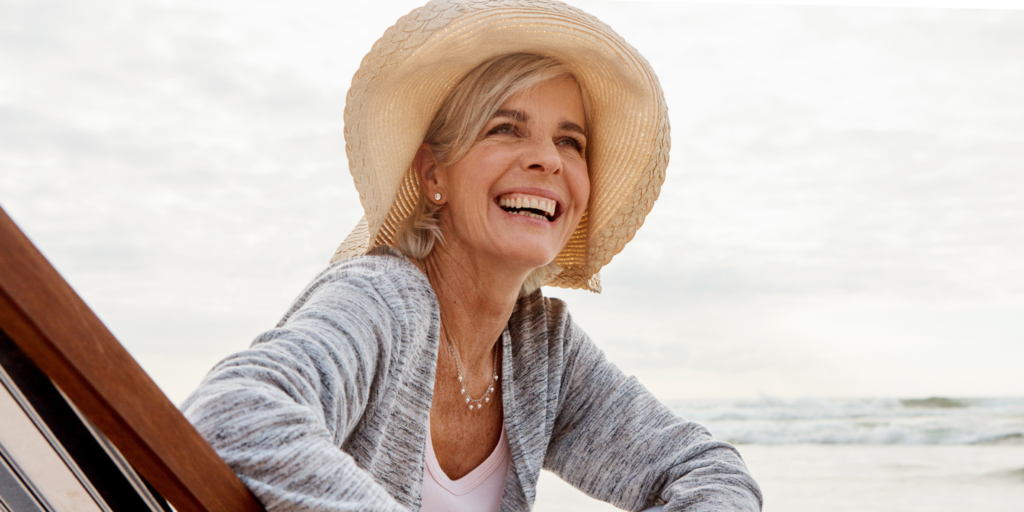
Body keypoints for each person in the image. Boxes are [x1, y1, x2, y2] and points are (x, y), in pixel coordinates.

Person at [182, 1, 763, 511]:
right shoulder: (383, 299)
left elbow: (711, 473)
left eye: (570, 141)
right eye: (506, 129)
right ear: (434, 173)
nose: (548, 160)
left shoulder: (541, 348)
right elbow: (233, 412)